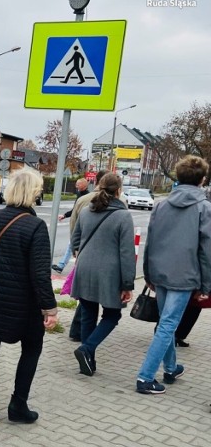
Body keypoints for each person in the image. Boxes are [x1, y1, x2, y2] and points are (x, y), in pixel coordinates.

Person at [0, 169, 58, 427]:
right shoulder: (35, 226)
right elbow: (40, 273)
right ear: (33, 192)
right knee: (32, 347)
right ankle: (18, 404)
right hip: (24, 301)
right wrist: (50, 308)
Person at [136, 155, 211, 394]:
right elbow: (206, 249)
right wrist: (207, 284)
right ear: (202, 179)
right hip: (185, 274)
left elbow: (151, 242)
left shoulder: (161, 205)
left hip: (159, 272)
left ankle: (170, 368)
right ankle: (145, 377)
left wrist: (148, 272)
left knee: (165, 323)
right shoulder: (204, 208)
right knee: (167, 325)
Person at [71, 173, 135, 377]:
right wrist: (127, 284)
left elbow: (75, 240)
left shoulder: (87, 211)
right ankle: (87, 349)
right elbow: (126, 252)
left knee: (88, 313)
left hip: (85, 267)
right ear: (119, 191)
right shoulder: (123, 215)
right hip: (109, 273)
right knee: (112, 315)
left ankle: (88, 358)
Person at [66, 170, 110, 342]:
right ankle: (88, 344)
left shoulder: (83, 201)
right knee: (110, 310)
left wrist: (76, 251)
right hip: (107, 261)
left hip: (84, 255)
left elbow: (73, 227)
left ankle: (78, 332)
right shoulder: (119, 204)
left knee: (86, 299)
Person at [52, 178, 89, 273]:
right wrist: (65, 215)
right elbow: (74, 210)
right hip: (78, 224)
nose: (76, 186)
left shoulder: (87, 197)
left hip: (83, 225)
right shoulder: (79, 194)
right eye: (76, 184)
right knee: (72, 245)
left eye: (78, 185)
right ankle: (62, 266)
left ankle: (74, 268)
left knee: (75, 245)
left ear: (84, 185)